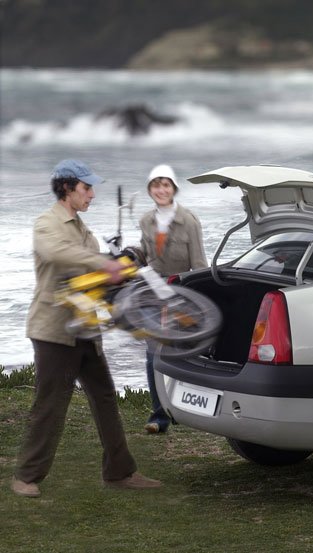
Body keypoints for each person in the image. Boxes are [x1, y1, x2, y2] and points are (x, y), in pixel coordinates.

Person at [11, 159, 162, 498]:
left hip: (85, 327)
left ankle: (120, 473)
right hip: (54, 330)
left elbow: (92, 278)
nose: (92, 194)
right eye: (87, 188)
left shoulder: (83, 229)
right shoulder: (47, 224)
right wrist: (104, 263)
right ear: (67, 188)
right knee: (51, 403)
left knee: (105, 396)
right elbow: (60, 255)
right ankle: (26, 476)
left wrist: (123, 265)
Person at [137, 164, 208, 434]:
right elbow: (144, 256)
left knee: (183, 352)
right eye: (156, 185)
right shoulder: (145, 221)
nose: (161, 190)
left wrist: (198, 300)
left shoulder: (189, 220)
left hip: (180, 290)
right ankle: (159, 417)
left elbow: (199, 263)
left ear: (173, 188)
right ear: (150, 190)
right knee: (153, 353)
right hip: (152, 291)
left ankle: (190, 408)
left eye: (166, 184)